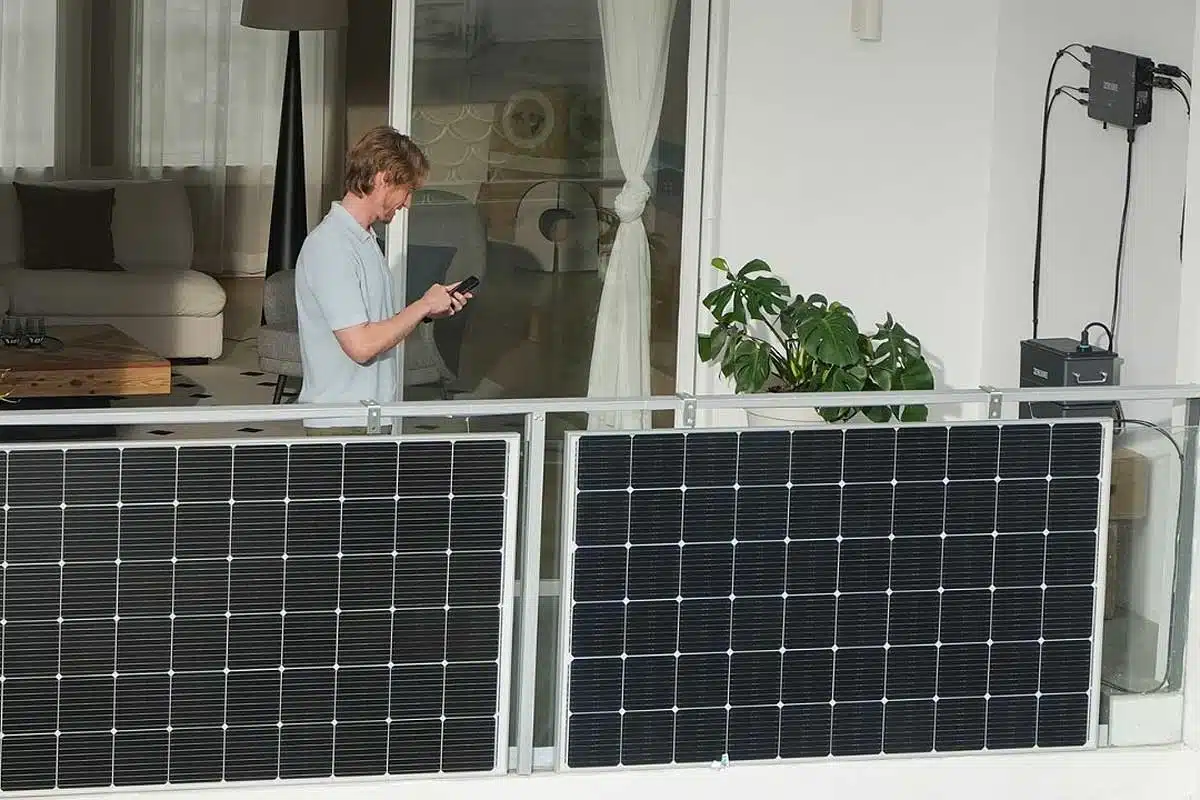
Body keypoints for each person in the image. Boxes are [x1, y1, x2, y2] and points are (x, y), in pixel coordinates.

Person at [294, 125, 471, 434]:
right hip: (343, 425)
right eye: (408, 190)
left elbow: (374, 326)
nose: (407, 203)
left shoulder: (363, 240)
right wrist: (422, 305)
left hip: (369, 420)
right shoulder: (332, 246)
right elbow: (361, 345)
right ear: (382, 179)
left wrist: (428, 310)